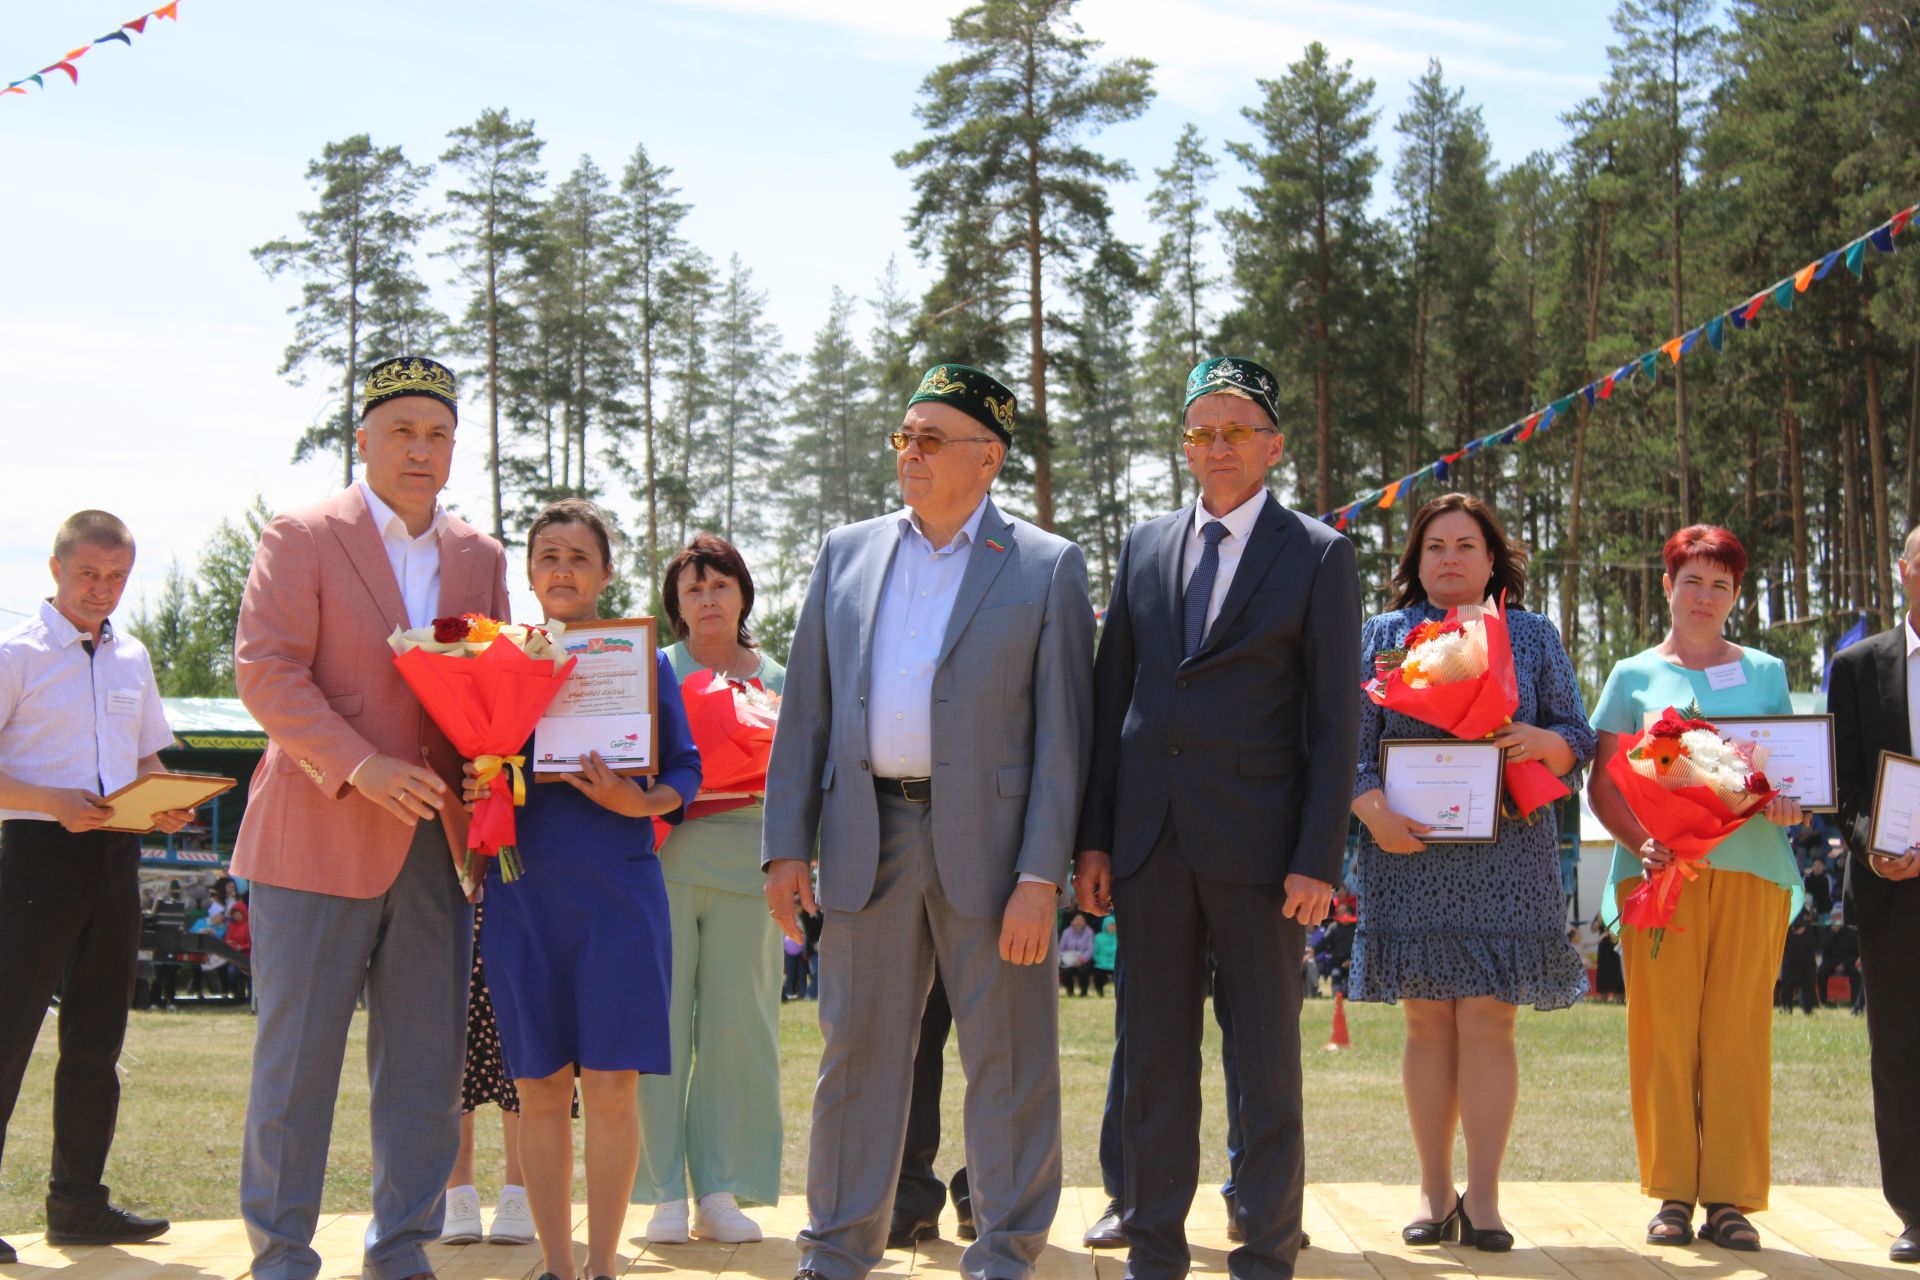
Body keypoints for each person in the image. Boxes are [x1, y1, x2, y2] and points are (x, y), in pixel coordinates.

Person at [764, 362, 1094, 1280]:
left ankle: (1008, 1252)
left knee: (1009, 1058)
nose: (910, 453)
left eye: (931, 439)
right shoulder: (847, 552)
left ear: (988, 459)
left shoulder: (1045, 564)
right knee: (856, 1055)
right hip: (865, 838)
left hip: (994, 856)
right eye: (903, 436)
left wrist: (1042, 875)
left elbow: (1065, 741)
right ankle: (834, 1250)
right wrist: (786, 846)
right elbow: (808, 714)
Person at [1074, 355, 1359, 1280]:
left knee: (1266, 1064)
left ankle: (1267, 1250)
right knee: (1153, 1062)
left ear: (1273, 445)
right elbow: (1115, 695)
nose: (1219, 446)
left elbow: (1333, 721)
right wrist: (1095, 837)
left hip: (1265, 855)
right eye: (1202, 430)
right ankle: (1153, 1248)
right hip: (1151, 849)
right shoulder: (1146, 544)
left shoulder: (1318, 554)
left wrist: (1319, 856)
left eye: (1237, 430)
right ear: (1185, 447)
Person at [232, 356, 512, 1280]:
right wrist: (361, 763)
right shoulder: (303, 534)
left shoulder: (480, 556)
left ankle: (401, 1248)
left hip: (437, 852)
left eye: (437, 433)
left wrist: (488, 773)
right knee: (296, 1066)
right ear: (363, 439)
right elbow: (266, 671)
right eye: (401, 431)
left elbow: (497, 694)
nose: (420, 450)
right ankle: (281, 1253)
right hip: (313, 838)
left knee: (428, 1072)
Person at [1348, 493, 1593, 1252]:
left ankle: (1483, 1198)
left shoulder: (1531, 633)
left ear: (1493, 559)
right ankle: (1431, 1189)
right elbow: (1349, 748)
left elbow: (1577, 735)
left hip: (1508, 852)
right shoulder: (1384, 637)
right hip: (1406, 854)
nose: (1450, 558)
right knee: (1425, 1021)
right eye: (1434, 547)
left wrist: (1540, 742)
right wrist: (1370, 808)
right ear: (1415, 562)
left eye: (1466, 545)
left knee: (1489, 1019)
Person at [471, 499, 700, 1280]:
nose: (562, 569)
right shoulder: (495, 660)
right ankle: (559, 1268)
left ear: (606, 572)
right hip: (521, 892)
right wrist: (478, 779)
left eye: (578, 556)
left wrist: (639, 802)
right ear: (528, 573)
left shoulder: (644, 662)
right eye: (547, 556)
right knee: (537, 1088)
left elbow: (686, 773)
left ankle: (603, 1266)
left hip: (618, 897)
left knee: (609, 1085)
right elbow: (471, 766)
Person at [1588, 524, 1805, 1254]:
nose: (1705, 596)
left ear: (1736, 595)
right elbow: (1603, 783)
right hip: (1659, 876)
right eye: (1692, 580)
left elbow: (1791, 776)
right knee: (1663, 1033)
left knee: (1738, 1032)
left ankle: (1731, 1199)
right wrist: (1636, 842)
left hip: (1752, 873)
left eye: (1721, 584)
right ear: (1667, 586)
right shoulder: (1630, 676)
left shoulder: (1769, 674)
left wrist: (1788, 800)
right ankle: (1673, 1193)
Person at [0, 511, 193, 1261]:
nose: (102, 590)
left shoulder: (132, 657)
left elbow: (146, 763)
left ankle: (77, 1203)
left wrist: (172, 802)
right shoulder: (15, 654)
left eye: (117, 577)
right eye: (89, 574)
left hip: (117, 858)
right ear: (55, 569)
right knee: (8, 1033)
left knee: (97, 1039)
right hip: (37, 856)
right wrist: (50, 802)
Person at [637, 534, 786, 1246]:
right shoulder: (650, 671)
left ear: (743, 595)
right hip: (659, 862)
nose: (707, 599)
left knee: (736, 1031)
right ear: (675, 605)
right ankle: (661, 1190)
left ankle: (719, 1190)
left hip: (750, 869)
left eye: (720, 585)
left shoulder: (782, 676)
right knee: (656, 1026)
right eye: (692, 589)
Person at [1830, 524, 1920, 1262]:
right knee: (1898, 1055)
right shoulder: (1858, 667)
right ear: (1903, 570)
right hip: (1892, 890)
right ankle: (1916, 1211)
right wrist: (1873, 842)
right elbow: (1844, 784)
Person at [439, 898, 535, 1248]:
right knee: (451, 1044)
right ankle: (457, 1191)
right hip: (455, 887)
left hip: (524, 885)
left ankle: (520, 1190)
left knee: (523, 1042)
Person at [1817, 908, 1862, 1013]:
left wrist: (1844, 964)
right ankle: (1823, 1001)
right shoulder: (1825, 931)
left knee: (1855, 974)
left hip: (1846, 963)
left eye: (1839, 917)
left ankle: (1854, 1002)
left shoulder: (1850, 933)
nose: (1837, 919)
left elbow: (1854, 953)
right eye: (1835, 917)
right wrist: (1833, 933)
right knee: (1822, 973)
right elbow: (1823, 946)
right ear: (1831, 918)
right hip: (1829, 962)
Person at [1778, 910, 1820, 1014]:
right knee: (1788, 982)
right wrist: (1793, 931)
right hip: (1790, 953)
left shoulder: (1809, 912)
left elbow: (1817, 932)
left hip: (1807, 953)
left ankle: (1808, 1008)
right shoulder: (1786, 911)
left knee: (1808, 982)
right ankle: (1786, 1007)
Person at [1059, 913, 1096, 995]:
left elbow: (1090, 949)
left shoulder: (1089, 932)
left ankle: (1083, 992)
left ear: (1085, 922)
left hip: (1084, 960)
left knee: (1084, 971)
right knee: (1065, 971)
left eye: (1081, 920)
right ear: (1072, 922)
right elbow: (1060, 949)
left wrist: (1081, 959)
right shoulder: (1066, 932)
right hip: (1069, 960)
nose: (1079, 922)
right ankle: (1070, 992)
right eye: (1077, 920)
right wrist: (1068, 959)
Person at [1092, 916, 1117, 997]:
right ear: (1105, 925)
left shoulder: (1119, 937)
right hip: (1101, 963)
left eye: (1113, 925)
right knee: (1098, 973)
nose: (1111, 927)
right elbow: (1095, 953)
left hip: (1115, 963)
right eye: (1109, 925)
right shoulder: (1098, 938)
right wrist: (1101, 960)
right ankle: (1099, 992)